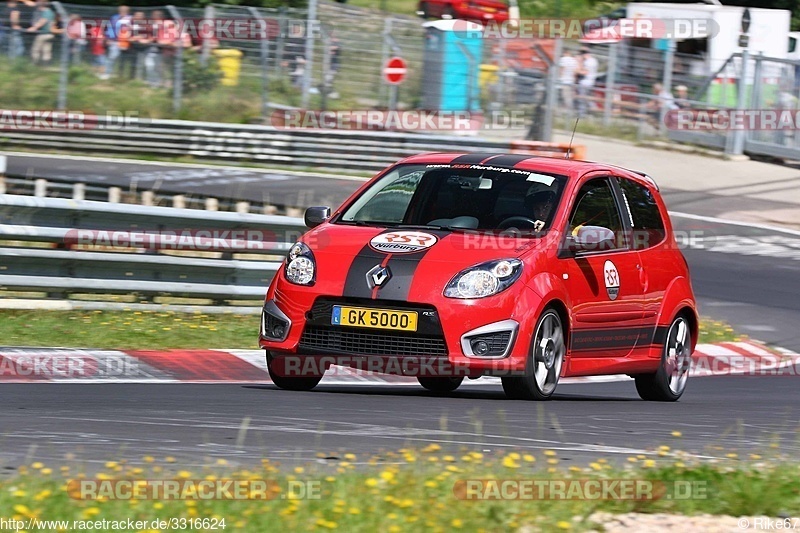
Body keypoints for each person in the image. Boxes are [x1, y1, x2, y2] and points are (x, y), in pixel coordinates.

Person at [103, 5, 130, 79]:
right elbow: (110, 28)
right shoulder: (114, 17)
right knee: (112, 57)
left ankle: (121, 75)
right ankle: (107, 73)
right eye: (121, 10)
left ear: (127, 11)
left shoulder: (130, 18)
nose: (122, 12)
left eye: (124, 11)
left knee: (124, 59)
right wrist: (108, 38)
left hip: (126, 42)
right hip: (115, 41)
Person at [26, 0, 53, 65]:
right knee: (46, 50)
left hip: (43, 34)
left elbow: (43, 21)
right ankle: (46, 65)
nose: (38, 8)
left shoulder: (47, 12)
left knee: (36, 49)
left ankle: (34, 63)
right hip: (49, 34)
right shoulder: (50, 12)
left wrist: (34, 28)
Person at [575, 47, 598, 117]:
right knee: (589, 98)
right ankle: (594, 111)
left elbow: (584, 72)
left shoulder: (588, 62)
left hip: (585, 82)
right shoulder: (594, 60)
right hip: (591, 82)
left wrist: (577, 68)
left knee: (582, 99)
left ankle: (582, 114)